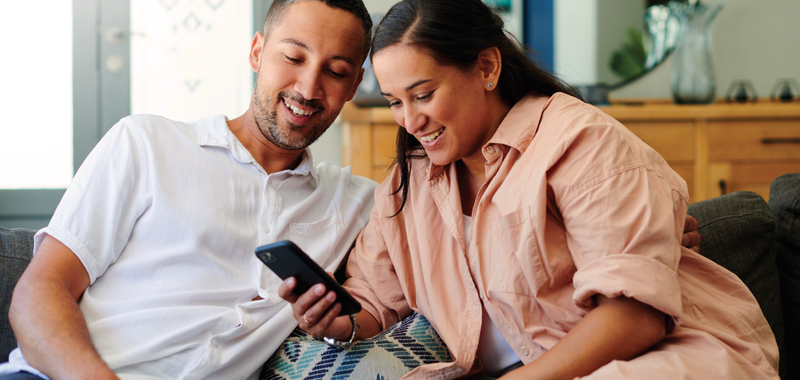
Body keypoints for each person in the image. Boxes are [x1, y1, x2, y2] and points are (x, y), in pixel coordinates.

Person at [280, 0, 779, 379]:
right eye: (394, 102)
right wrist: (336, 320)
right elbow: (372, 303)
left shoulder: (579, 140)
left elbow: (636, 318)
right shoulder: (409, 183)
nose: (410, 122)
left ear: (488, 68)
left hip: (665, 360)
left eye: (424, 95)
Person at [0, 1, 376, 379]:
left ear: (354, 85)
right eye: (294, 57)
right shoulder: (146, 143)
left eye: (336, 71)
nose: (308, 88)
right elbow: (39, 292)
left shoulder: (359, 201)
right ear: (257, 52)